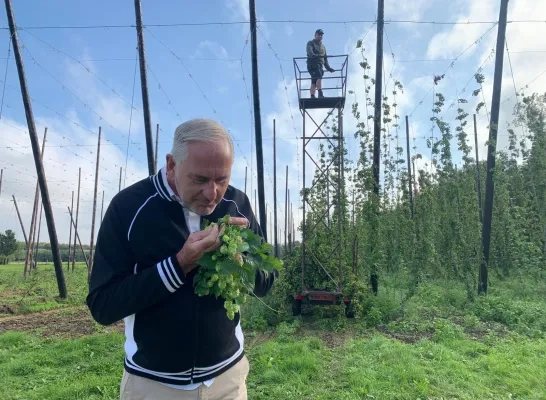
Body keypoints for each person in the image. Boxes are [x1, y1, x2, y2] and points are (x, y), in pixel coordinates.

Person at [87, 118, 278, 399]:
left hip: (228, 380)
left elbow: (266, 282)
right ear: (172, 165)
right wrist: (179, 264)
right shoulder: (129, 208)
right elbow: (102, 306)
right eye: (199, 179)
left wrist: (243, 258)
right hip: (154, 385)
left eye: (221, 180)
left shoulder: (237, 204)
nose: (212, 194)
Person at [306, 28, 335, 98]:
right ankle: (320, 93)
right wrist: (313, 55)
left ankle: (312, 95)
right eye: (319, 35)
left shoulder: (323, 47)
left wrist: (328, 68)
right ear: (315, 35)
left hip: (319, 65)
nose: (320, 36)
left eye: (321, 35)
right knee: (319, 77)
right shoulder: (310, 43)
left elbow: (325, 58)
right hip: (312, 64)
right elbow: (309, 51)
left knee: (314, 81)